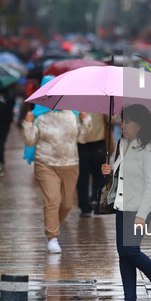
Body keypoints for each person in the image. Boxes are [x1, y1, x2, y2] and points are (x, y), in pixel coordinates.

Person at [101, 104, 151, 301]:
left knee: (131, 251)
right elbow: (122, 175)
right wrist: (109, 169)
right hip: (123, 205)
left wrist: (142, 215)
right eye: (122, 121)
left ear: (139, 125)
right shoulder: (122, 144)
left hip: (140, 208)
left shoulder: (150, 148)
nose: (122, 125)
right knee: (124, 253)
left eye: (127, 122)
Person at [22, 78, 93, 253]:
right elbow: (30, 141)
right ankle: (52, 237)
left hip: (70, 163)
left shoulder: (73, 115)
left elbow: (83, 139)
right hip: (46, 164)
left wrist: (86, 120)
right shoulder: (40, 117)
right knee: (52, 201)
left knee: (67, 204)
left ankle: (52, 224)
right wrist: (29, 123)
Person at [77, 112, 109, 217]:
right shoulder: (102, 100)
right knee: (88, 175)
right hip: (85, 142)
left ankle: (90, 203)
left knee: (89, 175)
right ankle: (89, 203)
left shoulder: (76, 100)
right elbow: (111, 119)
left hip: (94, 142)